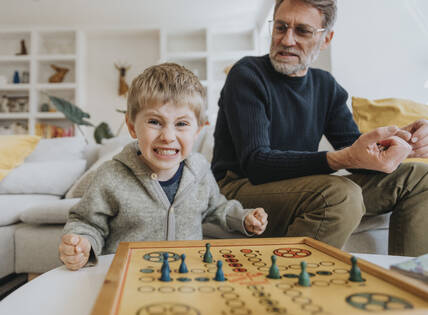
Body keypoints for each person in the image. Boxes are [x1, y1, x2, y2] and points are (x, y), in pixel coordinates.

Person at [210, 0, 428, 256]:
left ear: (326, 39)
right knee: (340, 195)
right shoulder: (247, 74)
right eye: (281, 27)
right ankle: (284, 287)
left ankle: (410, 282)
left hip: (302, 187)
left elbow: (354, 151)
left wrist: (400, 143)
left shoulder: (326, 86)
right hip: (238, 188)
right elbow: (256, 163)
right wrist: (341, 158)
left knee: (420, 177)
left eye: (302, 31)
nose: (287, 39)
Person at [59, 63, 268, 270]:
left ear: (197, 131)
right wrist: (83, 244)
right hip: (126, 279)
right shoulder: (111, 175)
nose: (168, 137)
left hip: (187, 278)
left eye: (181, 124)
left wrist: (243, 217)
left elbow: (217, 207)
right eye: (154, 122)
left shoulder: (200, 170)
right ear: (132, 127)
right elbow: (87, 222)